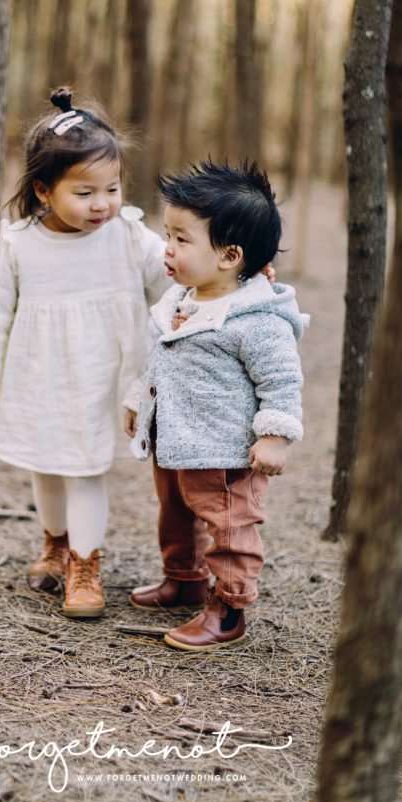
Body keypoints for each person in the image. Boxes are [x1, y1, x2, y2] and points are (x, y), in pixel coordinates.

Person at [0, 88, 169, 619]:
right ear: (43, 189)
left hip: (104, 374)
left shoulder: (129, 236)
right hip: (39, 372)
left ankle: (87, 565)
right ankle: (56, 545)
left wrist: (235, 273)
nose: (102, 204)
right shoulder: (18, 243)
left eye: (111, 188)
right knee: (46, 465)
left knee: (87, 467)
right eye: (85, 191)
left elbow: (175, 274)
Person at [125, 160, 307, 651]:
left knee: (228, 525)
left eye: (182, 239)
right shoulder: (183, 298)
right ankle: (183, 577)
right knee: (176, 511)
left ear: (229, 256)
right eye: (168, 234)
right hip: (177, 437)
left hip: (226, 451)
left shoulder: (257, 319)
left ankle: (229, 607)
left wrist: (274, 435)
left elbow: (282, 380)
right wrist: (137, 400)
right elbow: (160, 356)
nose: (168, 247)